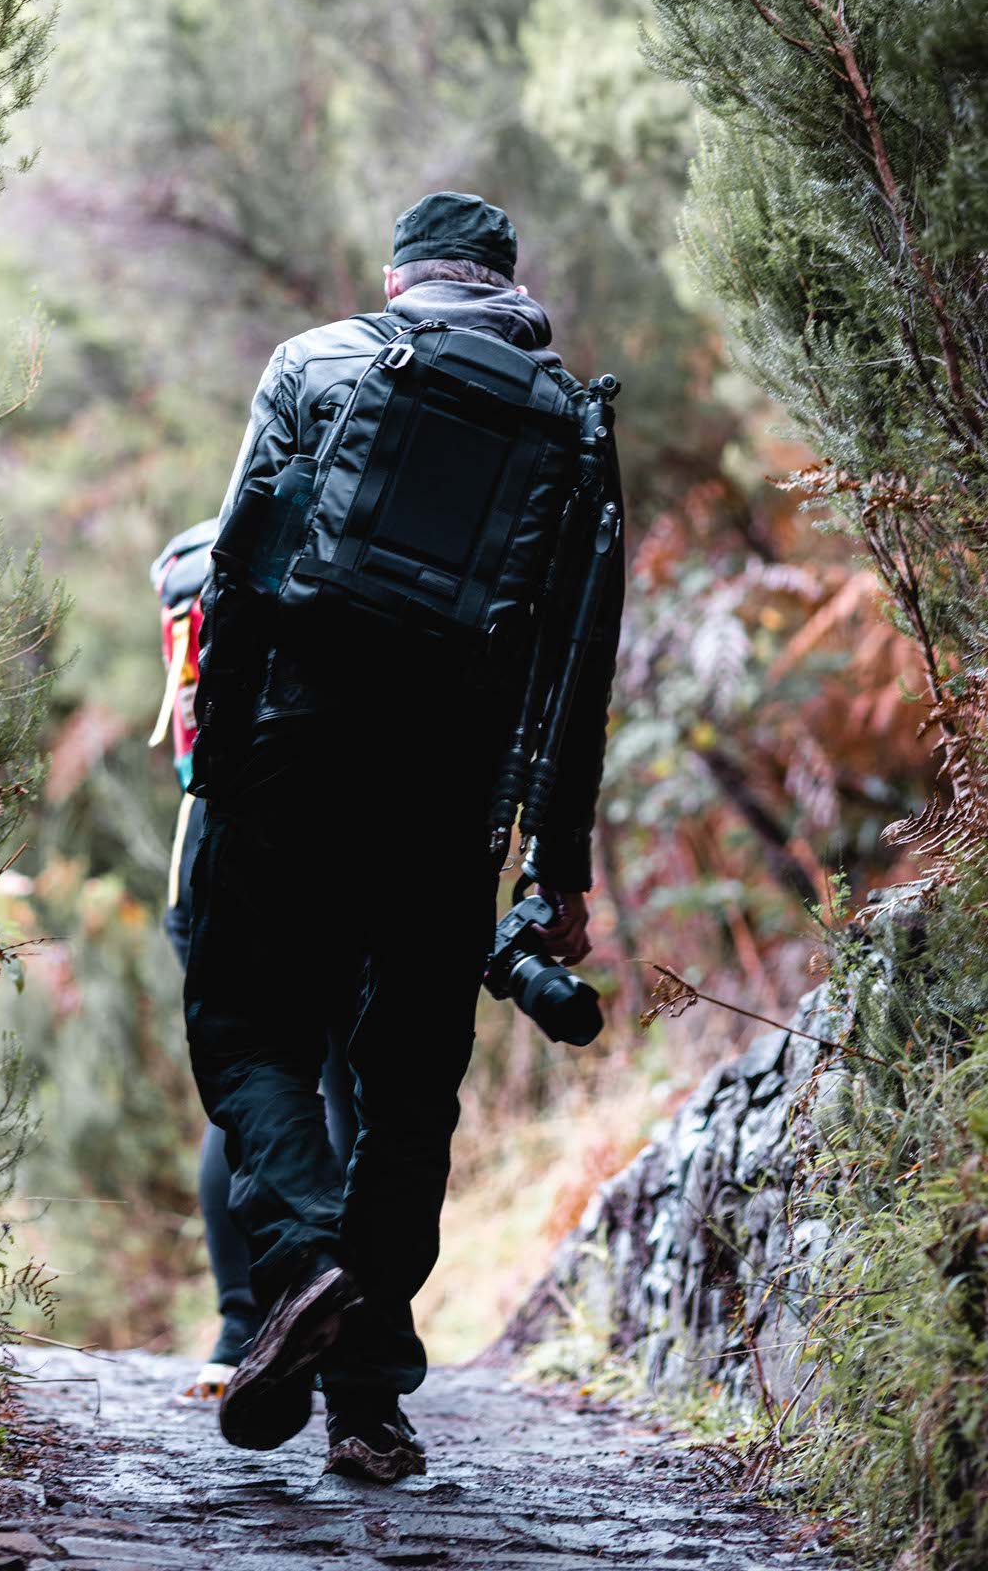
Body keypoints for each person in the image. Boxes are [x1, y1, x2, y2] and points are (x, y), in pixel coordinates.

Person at [183, 192, 623, 1483]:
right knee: (408, 1088)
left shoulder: (314, 365)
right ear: (506, 287)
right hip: (449, 800)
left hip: (291, 761)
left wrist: (213, 780)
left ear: (395, 280)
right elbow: (574, 661)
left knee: (250, 1025)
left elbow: (236, 576)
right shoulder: (570, 424)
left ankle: (306, 1268)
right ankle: (368, 1403)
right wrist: (554, 865)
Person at [150, 521, 356, 1400]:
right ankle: (342, 1330)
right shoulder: (345, 552)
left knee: (253, 1078)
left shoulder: (213, 557)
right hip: (352, 832)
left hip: (216, 845)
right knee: (345, 1079)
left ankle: (244, 1325)